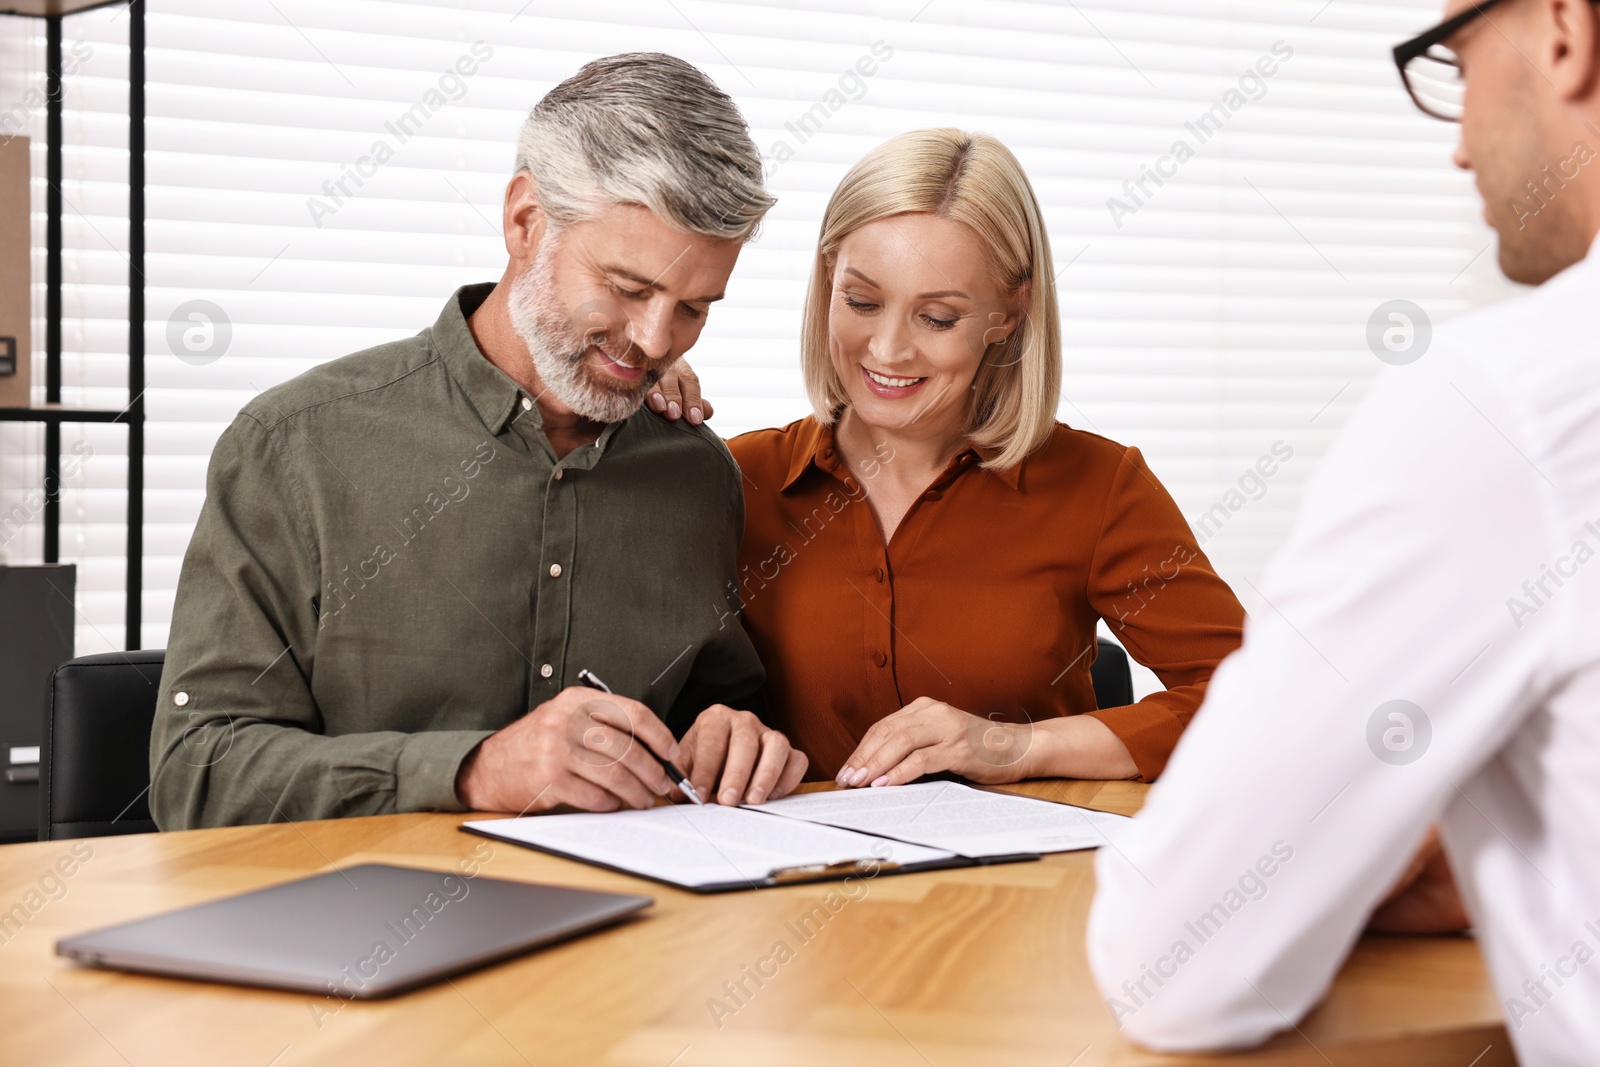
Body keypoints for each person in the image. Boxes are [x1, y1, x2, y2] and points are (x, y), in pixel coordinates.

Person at [1087, 1, 1600, 1062]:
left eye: (1454, 64)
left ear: (1563, 32)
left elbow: (1173, 961)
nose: (1457, 144)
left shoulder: (1506, 402)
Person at [149, 53, 807, 829]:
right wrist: (470, 771)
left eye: (694, 307)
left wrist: (731, 734)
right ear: (526, 221)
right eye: (629, 289)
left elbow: (715, 703)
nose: (655, 340)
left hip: (632, 933)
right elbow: (196, 769)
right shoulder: (293, 447)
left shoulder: (696, 473)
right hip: (358, 933)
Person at [662, 128, 1246, 787]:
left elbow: (1258, 702)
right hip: (788, 883)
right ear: (828, 276)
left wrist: (1011, 746)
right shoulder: (735, 481)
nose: (886, 349)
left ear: (1009, 311)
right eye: (861, 301)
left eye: (937, 317)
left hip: (1024, 886)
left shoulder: (1100, 487)